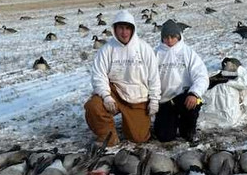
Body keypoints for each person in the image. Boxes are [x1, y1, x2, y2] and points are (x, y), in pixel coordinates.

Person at [84, 10, 161, 146]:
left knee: (138, 138)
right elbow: (98, 75)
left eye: (127, 28)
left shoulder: (144, 49)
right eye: (120, 28)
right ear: (115, 29)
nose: (124, 32)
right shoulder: (107, 49)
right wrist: (106, 96)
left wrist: (154, 100)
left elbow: (154, 77)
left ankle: (133, 123)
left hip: (138, 97)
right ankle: (109, 136)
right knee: (93, 106)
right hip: (115, 93)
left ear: (132, 29)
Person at [154, 19, 209, 142]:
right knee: (164, 137)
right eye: (166, 37)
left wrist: (194, 93)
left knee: (195, 103)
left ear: (179, 36)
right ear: (162, 38)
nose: (169, 40)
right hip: (164, 101)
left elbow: (202, 76)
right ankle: (170, 121)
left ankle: (188, 129)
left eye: (173, 37)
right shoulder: (155, 54)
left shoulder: (188, 52)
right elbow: (149, 79)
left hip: (184, 97)